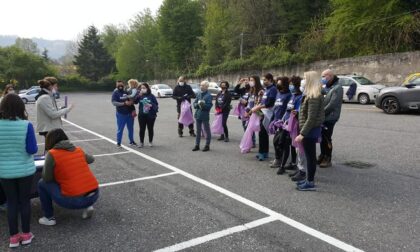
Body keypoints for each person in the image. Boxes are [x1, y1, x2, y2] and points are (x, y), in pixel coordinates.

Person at [37, 128, 99, 226]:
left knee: (41, 183)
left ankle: (49, 217)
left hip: (74, 201)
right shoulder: (78, 150)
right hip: (94, 194)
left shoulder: (52, 154)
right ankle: (87, 205)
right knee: (79, 177)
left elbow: (47, 178)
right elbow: (91, 159)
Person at [0, 93, 37, 247]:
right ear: (21, 107)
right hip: (24, 170)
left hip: (4, 172)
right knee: (24, 202)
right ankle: (26, 234)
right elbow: (32, 149)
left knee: (12, 202)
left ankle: (14, 237)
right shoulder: (26, 125)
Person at [295, 71, 325, 191]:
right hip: (308, 130)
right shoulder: (310, 94)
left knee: (310, 157)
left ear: (311, 80)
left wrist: (302, 134)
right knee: (309, 157)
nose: (303, 80)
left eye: (305, 78)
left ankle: (310, 182)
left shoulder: (314, 95)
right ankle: (308, 179)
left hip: (309, 131)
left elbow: (311, 118)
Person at [319, 69, 343, 168]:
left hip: (330, 117)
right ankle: (322, 155)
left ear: (330, 76)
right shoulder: (330, 87)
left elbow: (332, 105)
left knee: (327, 138)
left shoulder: (337, 87)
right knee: (322, 137)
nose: (323, 78)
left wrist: (320, 113)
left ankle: (327, 158)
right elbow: (323, 92)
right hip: (324, 116)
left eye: (324, 76)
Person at [251, 73, 277, 161]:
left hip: (268, 114)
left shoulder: (273, 89)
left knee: (263, 133)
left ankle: (262, 153)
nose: (263, 81)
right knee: (263, 133)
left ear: (270, 80)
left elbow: (270, 103)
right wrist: (261, 96)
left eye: (265, 80)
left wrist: (259, 107)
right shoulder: (267, 89)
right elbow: (264, 100)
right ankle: (264, 152)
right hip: (263, 113)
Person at [269, 77, 292, 173]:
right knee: (276, 141)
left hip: (283, 122)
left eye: (280, 83)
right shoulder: (279, 93)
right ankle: (278, 159)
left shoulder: (288, 95)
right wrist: (272, 119)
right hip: (276, 120)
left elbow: (288, 110)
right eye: (277, 83)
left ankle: (281, 161)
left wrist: (284, 121)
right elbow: (275, 107)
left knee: (280, 142)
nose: (278, 84)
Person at [111, 80, 137, 147]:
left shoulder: (126, 92)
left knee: (131, 128)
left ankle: (131, 141)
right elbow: (114, 102)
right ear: (116, 85)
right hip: (121, 114)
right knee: (120, 129)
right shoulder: (115, 93)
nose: (120, 86)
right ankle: (118, 143)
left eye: (121, 84)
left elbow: (131, 101)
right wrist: (124, 103)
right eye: (118, 84)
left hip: (129, 114)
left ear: (123, 85)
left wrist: (133, 109)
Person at [135, 82, 159, 147]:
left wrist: (151, 105)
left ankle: (150, 142)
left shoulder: (152, 96)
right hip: (141, 115)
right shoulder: (140, 95)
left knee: (150, 129)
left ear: (147, 88)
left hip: (150, 115)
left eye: (144, 88)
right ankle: (141, 142)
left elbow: (156, 106)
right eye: (141, 88)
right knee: (142, 129)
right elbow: (135, 102)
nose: (142, 89)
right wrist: (138, 95)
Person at [243, 76, 264, 148]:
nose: (250, 82)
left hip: (258, 113)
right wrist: (247, 110)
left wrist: (251, 111)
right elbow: (250, 102)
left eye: (252, 80)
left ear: (256, 81)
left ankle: (262, 150)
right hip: (251, 112)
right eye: (250, 80)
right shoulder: (251, 90)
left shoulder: (260, 91)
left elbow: (260, 103)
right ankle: (249, 144)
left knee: (261, 132)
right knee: (248, 129)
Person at [192, 81, 213, 152]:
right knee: (198, 131)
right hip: (198, 114)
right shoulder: (199, 94)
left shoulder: (209, 95)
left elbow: (209, 106)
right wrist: (197, 105)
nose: (201, 86)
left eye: (203, 85)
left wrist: (203, 105)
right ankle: (197, 145)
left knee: (207, 131)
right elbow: (194, 103)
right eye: (200, 85)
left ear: (206, 87)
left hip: (204, 115)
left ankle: (207, 145)